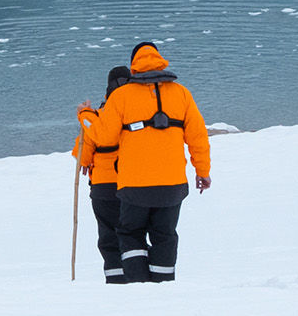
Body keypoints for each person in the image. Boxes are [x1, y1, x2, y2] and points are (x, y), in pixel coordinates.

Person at [85, 41, 212, 283]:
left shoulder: (121, 96)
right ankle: (163, 285)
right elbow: (198, 137)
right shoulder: (182, 93)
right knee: (165, 234)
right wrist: (202, 172)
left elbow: (104, 137)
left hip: (134, 185)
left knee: (130, 233)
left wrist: (86, 116)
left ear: (134, 65)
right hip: (173, 184)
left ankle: (138, 286)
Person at [76, 67, 130, 283]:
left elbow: (82, 157)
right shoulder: (135, 114)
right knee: (132, 233)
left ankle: (115, 279)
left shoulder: (98, 117)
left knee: (109, 236)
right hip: (132, 183)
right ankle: (136, 276)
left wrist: (85, 116)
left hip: (102, 187)